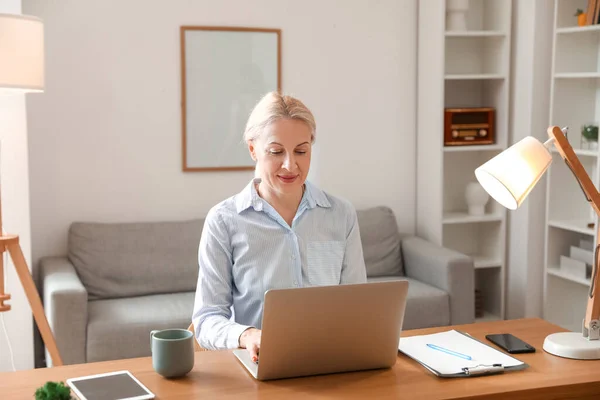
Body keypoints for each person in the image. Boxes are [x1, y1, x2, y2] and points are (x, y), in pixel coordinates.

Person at [192, 91, 367, 363]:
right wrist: (246, 335)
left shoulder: (341, 214)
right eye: (276, 152)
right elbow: (206, 321)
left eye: (301, 151)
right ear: (253, 149)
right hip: (259, 369)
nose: (290, 165)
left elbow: (358, 306)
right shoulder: (224, 221)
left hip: (332, 362)